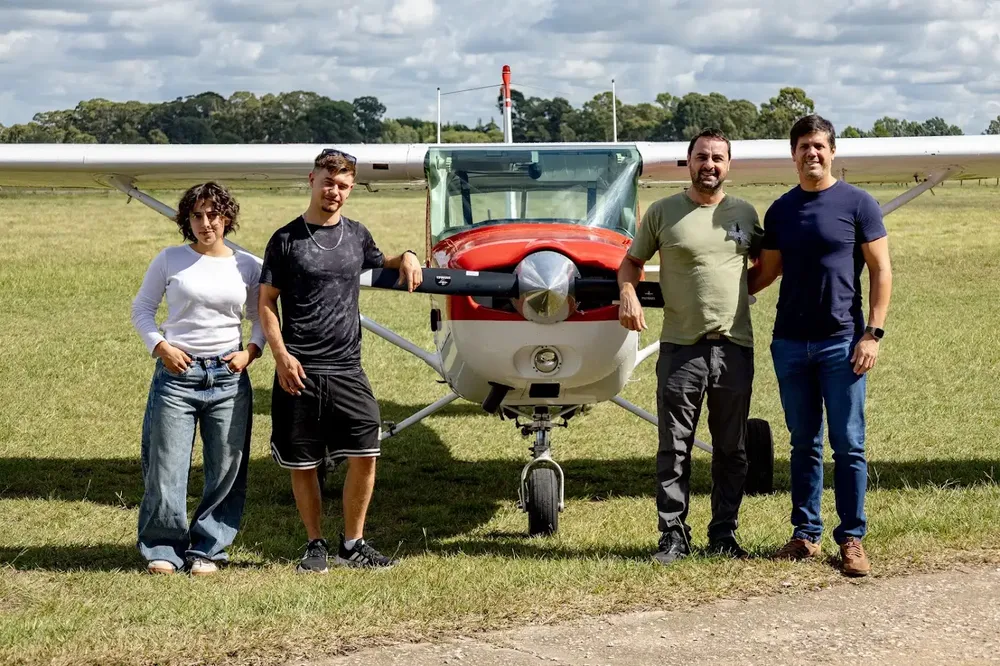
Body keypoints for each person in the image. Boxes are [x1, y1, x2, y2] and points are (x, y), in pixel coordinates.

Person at [259, 148, 423, 573]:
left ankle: (353, 543)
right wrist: (281, 356)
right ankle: (314, 543)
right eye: (329, 182)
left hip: (348, 367)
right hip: (300, 367)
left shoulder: (357, 234)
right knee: (304, 461)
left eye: (344, 186)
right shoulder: (285, 239)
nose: (335, 192)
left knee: (367, 450)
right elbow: (265, 304)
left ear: (351, 189)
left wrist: (406, 255)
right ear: (312, 180)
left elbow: (380, 261)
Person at [749, 114, 892, 577]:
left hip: (843, 343)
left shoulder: (858, 203)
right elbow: (766, 272)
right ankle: (805, 534)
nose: (812, 153)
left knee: (848, 444)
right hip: (790, 342)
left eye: (820, 146)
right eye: (804, 146)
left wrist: (872, 333)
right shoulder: (781, 210)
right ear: (793, 155)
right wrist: (708, 285)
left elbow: (881, 270)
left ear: (832, 152)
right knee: (803, 442)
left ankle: (852, 538)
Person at [618, 128, 763, 565]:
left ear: (728, 165)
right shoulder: (663, 212)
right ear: (689, 161)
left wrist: (742, 291)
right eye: (702, 156)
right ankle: (673, 536)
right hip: (681, 348)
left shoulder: (745, 213)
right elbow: (631, 263)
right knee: (674, 446)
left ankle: (723, 534)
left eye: (718, 157)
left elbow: (766, 263)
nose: (710, 165)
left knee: (732, 448)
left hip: (734, 347)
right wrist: (627, 293)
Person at [131, 182, 264, 576]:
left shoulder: (247, 265)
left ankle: (209, 548)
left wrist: (250, 352)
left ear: (227, 217)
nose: (206, 223)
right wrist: (161, 347)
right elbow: (142, 309)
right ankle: (163, 547)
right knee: (166, 464)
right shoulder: (170, 259)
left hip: (228, 376)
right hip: (177, 374)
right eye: (197, 215)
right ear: (187, 220)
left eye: (213, 214)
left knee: (226, 466)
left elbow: (261, 318)